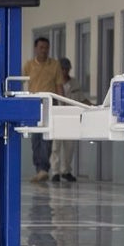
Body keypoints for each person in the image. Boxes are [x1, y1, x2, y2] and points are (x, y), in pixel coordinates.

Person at [22, 37, 65, 183]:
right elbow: (20, 82)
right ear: (35, 48)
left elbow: (59, 86)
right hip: (33, 105)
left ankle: (43, 169)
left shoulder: (55, 65)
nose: (44, 50)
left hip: (49, 104)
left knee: (46, 138)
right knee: (35, 139)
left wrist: (63, 105)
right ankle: (39, 169)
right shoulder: (28, 65)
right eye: (41, 47)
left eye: (46, 48)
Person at [51, 57, 85, 183]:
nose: (64, 71)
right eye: (62, 69)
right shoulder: (53, 83)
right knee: (56, 146)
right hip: (57, 117)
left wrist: (93, 107)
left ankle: (66, 171)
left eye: (66, 69)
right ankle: (55, 172)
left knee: (69, 147)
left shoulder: (74, 83)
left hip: (71, 118)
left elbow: (81, 98)